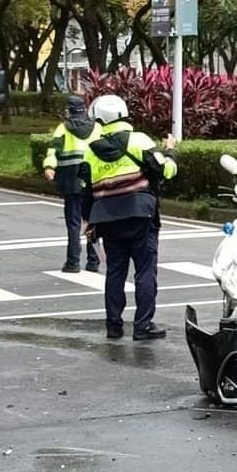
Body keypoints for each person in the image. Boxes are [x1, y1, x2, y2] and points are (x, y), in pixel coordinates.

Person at [81, 95, 178, 341]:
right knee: (145, 271)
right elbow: (165, 171)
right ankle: (143, 326)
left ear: (99, 119)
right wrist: (170, 151)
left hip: (107, 219)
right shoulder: (139, 140)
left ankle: (113, 326)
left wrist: (88, 221)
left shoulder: (90, 151)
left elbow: (87, 192)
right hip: (140, 214)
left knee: (115, 272)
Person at [43, 96, 101, 274]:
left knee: (73, 223)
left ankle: (73, 262)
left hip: (71, 181)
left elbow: (53, 150)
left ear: (69, 110)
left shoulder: (63, 128)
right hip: (93, 180)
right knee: (92, 221)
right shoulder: (97, 128)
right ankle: (93, 261)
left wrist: (49, 166)